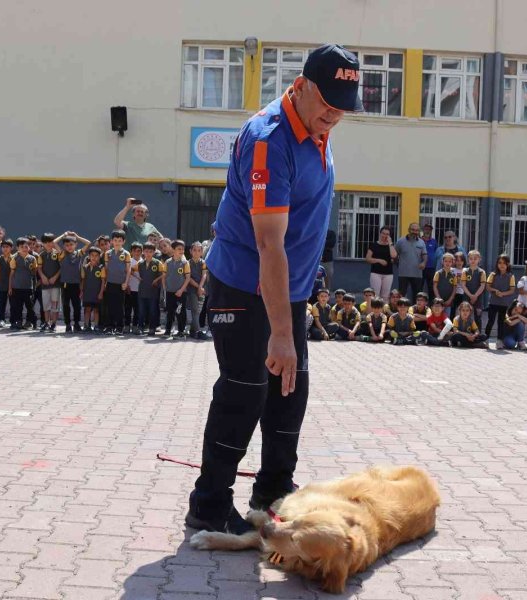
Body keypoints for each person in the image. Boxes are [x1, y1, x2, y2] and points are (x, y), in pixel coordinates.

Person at [188, 44, 361, 535]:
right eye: (327, 102)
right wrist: (280, 334)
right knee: (246, 390)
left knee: (290, 393)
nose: (334, 115)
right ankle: (208, 504)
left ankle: (272, 496)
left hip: (289, 290)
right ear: (301, 84)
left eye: (343, 109)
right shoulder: (270, 139)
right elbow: (268, 243)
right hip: (245, 286)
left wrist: (291, 316)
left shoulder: (317, 131)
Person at [59, 232, 91, 334]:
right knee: (65, 305)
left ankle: (76, 324)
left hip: (76, 284)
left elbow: (88, 243)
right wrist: (63, 236)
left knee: (77, 305)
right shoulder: (62, 254)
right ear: (64, 246)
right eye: (67, 245)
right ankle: (68, 324)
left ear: (75, 244)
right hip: (65, 284)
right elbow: (54, 243)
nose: (69, 247)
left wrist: (77, 236)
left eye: (71, 244)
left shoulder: (78, 253)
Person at [101, 230, 131, 334]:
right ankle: (109, 326)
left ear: (123, 241)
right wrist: (105, 283)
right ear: (112, 241)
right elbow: (106, 269)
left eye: (119, 240)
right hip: (110, 283)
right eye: (115, 240)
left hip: (121, 284)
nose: (117, 242)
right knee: (110, 306)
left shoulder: (126, 254)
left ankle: (119, 327)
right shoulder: (108, 254)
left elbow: (128, 270)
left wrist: (126, 283)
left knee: (119, 306)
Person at [485, 255, 516, 349]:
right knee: (491, 320)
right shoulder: (492, 275)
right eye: (500, 263)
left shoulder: (511, 276)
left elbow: (512, 290)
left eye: (504, 263)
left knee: (501, 322)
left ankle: (499, 341)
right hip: (493, 302)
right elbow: (488, 287)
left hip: (504, 303)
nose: (502, 265)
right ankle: (486, 339)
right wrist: (495, 291)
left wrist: (503, 293)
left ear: (508, 264)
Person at [37, 232, 65, 333]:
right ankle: (46, 322)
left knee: (55, 305)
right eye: (46, 242)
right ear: (43, 243)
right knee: (46, 305)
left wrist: (55, 277)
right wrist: (43, 277)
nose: (48, 244)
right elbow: (39, 268)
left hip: (56, 284)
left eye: (50, 241)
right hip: (45, 285)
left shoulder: (57, 253)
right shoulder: (41, 255)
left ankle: (54, 323)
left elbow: (62, 267)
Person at [8, 237, 39, 330]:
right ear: (17, 248)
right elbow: (11, 274)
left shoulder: (32, 259)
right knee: (18, 307)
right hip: (17, 287)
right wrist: (10, 287)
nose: (24, 249)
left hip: (28, 287)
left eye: (26, 247)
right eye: (22, 247)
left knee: (30, 306)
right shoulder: (14, 258)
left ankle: (33, 322)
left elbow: (34, 272)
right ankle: (19, 322)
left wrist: (34, 286)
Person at [162, 239, 190, 337]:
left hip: (181, 293)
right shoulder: (167, 262)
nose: (182, 251)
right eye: (179, 249)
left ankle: (181, 331)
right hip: (170, 292)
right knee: (170, 312)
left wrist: (181, 290)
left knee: (180, 312)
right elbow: (164, 277)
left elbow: (187, 278)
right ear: (173, 250)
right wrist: (165, 289)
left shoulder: (185, 263)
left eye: (182, 249)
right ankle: (168, 330)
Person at [135, 242, 164, 335]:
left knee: (153, 310)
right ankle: (140, 327)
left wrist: (156, 279)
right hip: (142, 290)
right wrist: (138, 277)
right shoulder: (140, 263)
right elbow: (130, 270)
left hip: (153, 291)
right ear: (143, 252)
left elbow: (164, 273)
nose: (148, 253)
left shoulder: (157, 263)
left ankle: (152, 328)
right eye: (146, 251)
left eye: (150, 251)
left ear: (154, 252)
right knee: (141, 311)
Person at [394, 223, 427, 303]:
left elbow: (424, 255)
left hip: (417, 274)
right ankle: (402, 312)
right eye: (413, 229)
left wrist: (424, 263)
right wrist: (398, 264)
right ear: (409, 230)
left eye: (416, 230)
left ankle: (415, 312)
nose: (414, 232)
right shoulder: (400, 241)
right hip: (403, 274)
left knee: (417, 295)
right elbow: (395, 254)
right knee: (401, 295)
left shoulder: (421, 242)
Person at [366, 226, 396, 301]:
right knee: (375, 295)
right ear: (380, 233)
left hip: (388, 274)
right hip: (376, 273)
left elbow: (394, 255)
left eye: (387, 234)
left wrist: (390, 243)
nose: (385, 235)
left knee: (385, 296)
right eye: (383, 233)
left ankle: (384, 311)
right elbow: (368, 259)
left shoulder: (391, 246)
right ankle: (374, 311)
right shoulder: (374, 245)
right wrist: (379, 260)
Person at [80, 246, 105, 332]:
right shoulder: (85, 267)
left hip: (96, 293)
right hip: (87, 292)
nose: (94, 257)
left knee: (96, 310)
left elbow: (103, 281)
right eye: (92, 255)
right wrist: (81, 291)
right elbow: (83, 280)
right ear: (89, 256)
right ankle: (86, 326)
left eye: (96, 255)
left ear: (99, 256)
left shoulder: (101, 267)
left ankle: (96, 326)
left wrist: (101, 292)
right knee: (87, 309)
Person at [187, 241, 209, 339]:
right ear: (191, 251)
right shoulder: (187, 263)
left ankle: (192, 331)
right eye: (194, 250)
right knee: (195, 309)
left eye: (199, 250)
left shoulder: (204, 263)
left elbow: (204, 275)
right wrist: (198, 287)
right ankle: (198, 331)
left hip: (202, 289)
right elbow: (189, 278)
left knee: (198, 311)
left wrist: (201, 287)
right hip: (192, 289)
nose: (196, 252)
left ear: (202, 252)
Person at [462, 250, 486, 330]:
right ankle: (465, 334)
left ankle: (478, 335)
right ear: (468, 259)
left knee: (478, 317)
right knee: (466, 316)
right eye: (471, 258)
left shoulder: (482, 272)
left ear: (479, 259)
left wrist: (475, 296)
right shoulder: (465, 271)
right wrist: (470, 296)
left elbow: (482, 285)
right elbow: (463, 285)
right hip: (467, 297)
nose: (473, 260)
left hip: (478, 298)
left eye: (475, 258)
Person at [126, 242, 143, 334]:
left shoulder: (143, 262)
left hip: (139, 290)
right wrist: (127, 285)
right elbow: (127, 273)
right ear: (131, 252)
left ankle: (135, 326)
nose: (137, 253)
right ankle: (127, 326)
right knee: (128, 309)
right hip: (130, 289)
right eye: (135, 251)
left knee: (137, 310)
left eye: (139, 251)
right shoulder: (129, 261)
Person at [0, 239, 13, 328]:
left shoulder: (14, 258)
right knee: (2, 304)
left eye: (7, 247)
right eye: (3, 247)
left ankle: (12, 320)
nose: (5, 249)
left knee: (13, 304)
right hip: (2, 285)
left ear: (11, 248)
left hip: (12, 285)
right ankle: (2, 320)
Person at [420, 223, 437, 296]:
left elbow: (436, 253)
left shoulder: (434, 241)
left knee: (431, 288)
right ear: (423, 230)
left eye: (429, 230)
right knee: (419, 287)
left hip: (431, 268)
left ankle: (431, 305)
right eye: (426, 229)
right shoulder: (419, 240)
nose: (427, 231)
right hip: (421, 268)